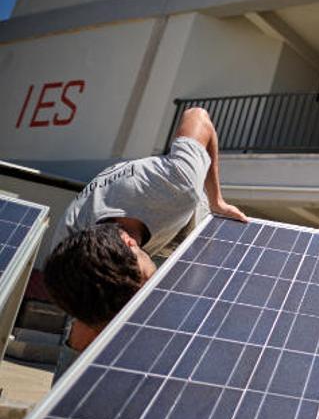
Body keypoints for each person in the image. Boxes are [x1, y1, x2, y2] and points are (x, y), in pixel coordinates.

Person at [44, 107, 246, 379]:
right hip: (142, 232)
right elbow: (89, 322)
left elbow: (198, 116)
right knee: (92, 322)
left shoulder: (176, 183)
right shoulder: (69, 259)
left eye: (145, 278)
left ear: (129, 243)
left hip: (184, 227)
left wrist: (216, 199)